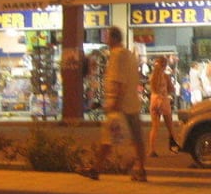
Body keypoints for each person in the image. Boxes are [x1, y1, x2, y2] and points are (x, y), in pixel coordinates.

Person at [77, 26, 147, 181]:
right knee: (136, 139)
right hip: (132, 104)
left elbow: (118, 81)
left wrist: (114, 102)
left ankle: (95, 169)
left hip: (121, 106)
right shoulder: (129, 54)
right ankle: (140, 169)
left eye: (107, 37)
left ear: (113, 38)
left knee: (107, 139)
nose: (106, 40)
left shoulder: (117, 55)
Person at [146, 55, 180, 158]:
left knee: (154, 127)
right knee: (170, 127)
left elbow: (152, 89)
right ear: (164, 65)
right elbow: (171, 89)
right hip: (163, 100)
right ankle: (173, 147)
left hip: (154, 100)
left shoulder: (152, 76)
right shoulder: (165, 76)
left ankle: (152, 149)